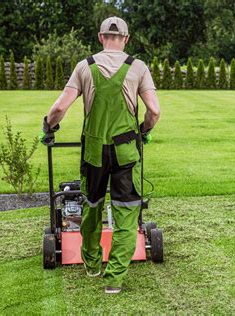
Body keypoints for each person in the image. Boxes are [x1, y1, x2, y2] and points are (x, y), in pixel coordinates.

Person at [39, 16, 161, 294]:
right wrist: (143, 130)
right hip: (126, 152)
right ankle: (114, 279)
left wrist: (49, 126)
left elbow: (60, 107)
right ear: (126, 39)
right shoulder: (138, 67)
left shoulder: (85, 66)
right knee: (127, 213)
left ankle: (92, 263)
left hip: (94, 152)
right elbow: (154, 111)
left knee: (91, 206)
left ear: (100, 37)